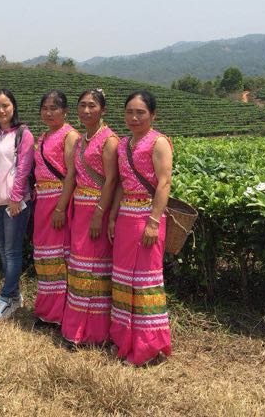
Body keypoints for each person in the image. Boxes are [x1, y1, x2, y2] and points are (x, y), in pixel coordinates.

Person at [108, 90, 173, 365]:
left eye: (140, 112)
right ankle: (125, 340)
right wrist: (112, 216)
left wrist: (154, 222)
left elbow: (164, 183)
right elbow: (122, 183)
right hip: (125, 218)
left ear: (153, 115)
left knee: (145, 281)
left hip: (148, 217)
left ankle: (148, 345)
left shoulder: (159, 142)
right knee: (124, 279)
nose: (134, 117)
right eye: (129, 112)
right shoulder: (122, 145)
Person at [61, 89, 119, 346]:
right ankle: (75, 330)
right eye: (82, 105)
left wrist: (99, 215)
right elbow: (73, 174)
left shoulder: (109, 140)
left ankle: (94, 332)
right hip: (79, 208)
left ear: (103, 110)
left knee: (96, 270)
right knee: (80, 268)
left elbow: (111, 180)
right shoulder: (80, 139)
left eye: (92, 106)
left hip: (97, 207)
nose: (86, 110)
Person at [0, 89, 35, 322]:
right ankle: (14, 295)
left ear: (13, 107)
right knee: (3, 250)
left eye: (5, 105)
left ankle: (5, 298)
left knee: (11, 252)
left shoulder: (23, 134)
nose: (1, 111)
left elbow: (24, 168)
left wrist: (16, 198)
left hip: (15, 203)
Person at [32, 90, 79, 326]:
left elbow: (71, 173)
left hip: (58, 202)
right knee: (44, 257)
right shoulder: (43, 136)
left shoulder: (69, 135)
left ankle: (60, 313)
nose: (49, 113)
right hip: (42, 201)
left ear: (65, 111)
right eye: (45, 108)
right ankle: (46, 309)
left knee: (60, 258)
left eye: (54, 108)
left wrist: (61, 208)